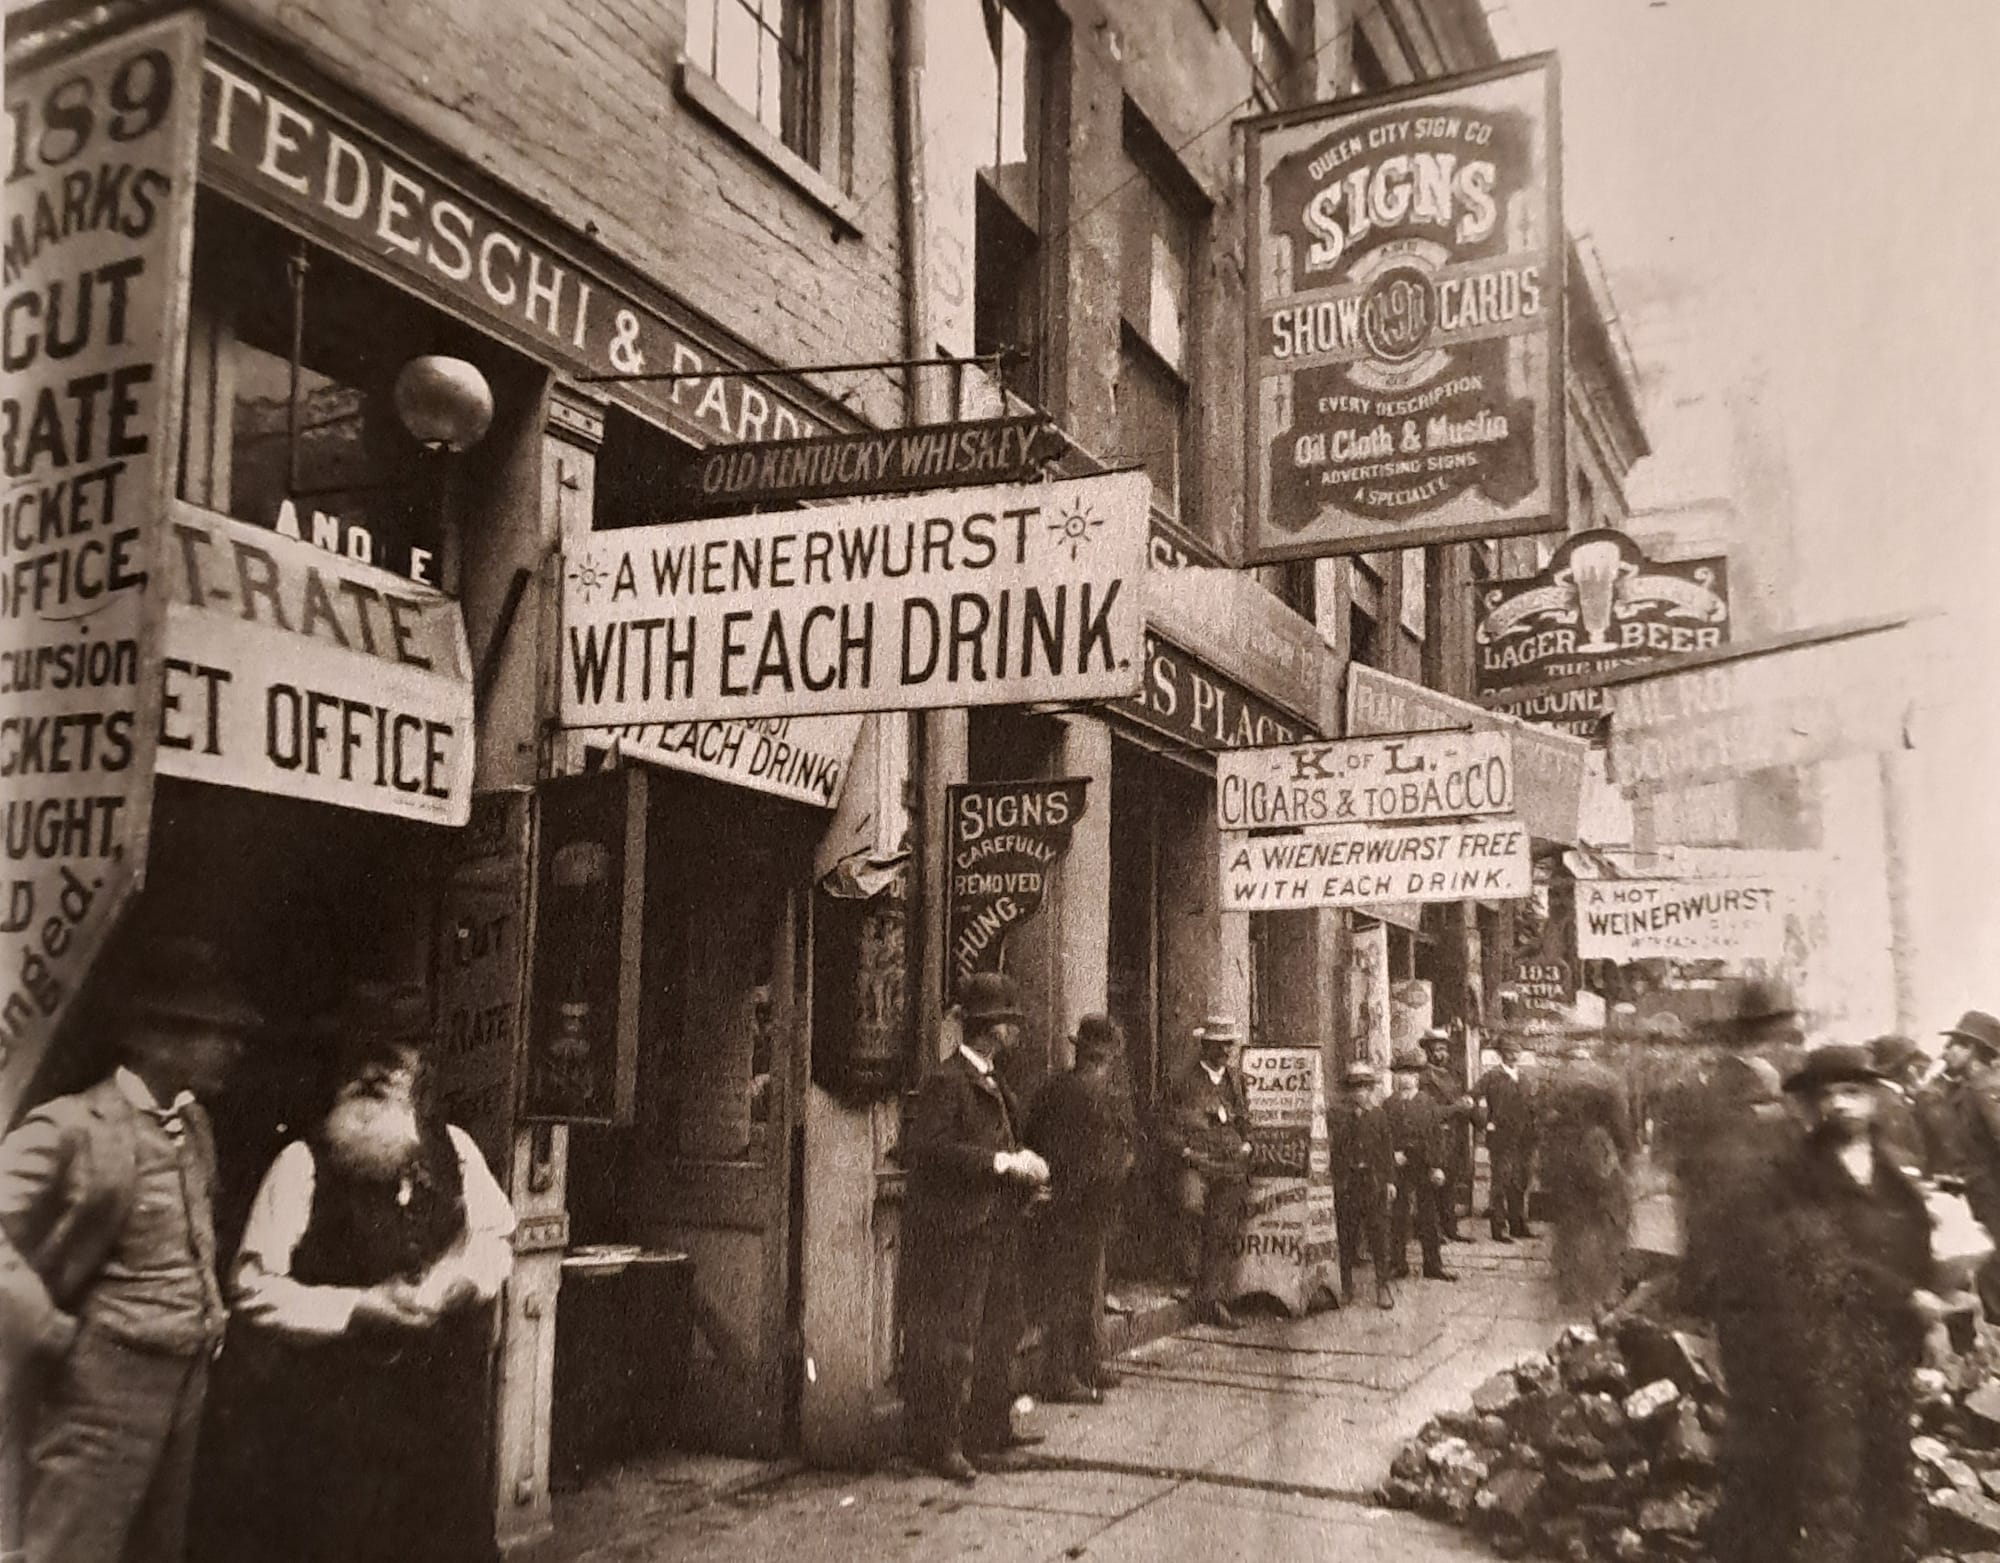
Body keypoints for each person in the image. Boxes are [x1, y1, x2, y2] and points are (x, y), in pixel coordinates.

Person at [221, 981, 515, 1563]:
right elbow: (252, 1287)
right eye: (364, 1055)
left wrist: (465, 1283)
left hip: (438, 1431)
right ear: (341, 1064)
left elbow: (496, 1237)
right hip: (335, 1433)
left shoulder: (454, 1151)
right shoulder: (301, 1163)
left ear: (421, 1066)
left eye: (396, 1054)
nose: (378, 1071)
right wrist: (355, 1308)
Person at [0, 938, 256, 1563]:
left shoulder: (196, 1125)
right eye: (213, 1033)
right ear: (155, 1041)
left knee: (157, 1548)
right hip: (101, 1385)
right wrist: (47, 1329)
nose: (233, 1048)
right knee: (72, 1547)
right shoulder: (74, 1127)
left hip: (185, 1379)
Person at [1708, 1044, 1939, 1563]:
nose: (1840, 1105)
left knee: (1891, 1473)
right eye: (1828, 1095)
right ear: (1812, 1106)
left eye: (1852, 1092)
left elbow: (1915, 1245)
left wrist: (1924, 1311)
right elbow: (1820, 1256)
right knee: (1832, 1481)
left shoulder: (1892, 1171)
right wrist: (1908, 1296)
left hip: (1889, 1350)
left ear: (1874, 1099)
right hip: (1823, 1349)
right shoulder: (1790, 1175)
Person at [902, 973, 1049, 1483]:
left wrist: (1026, 1174)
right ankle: (941, 1443)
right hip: (958, 1231)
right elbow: (929, 1152)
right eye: (1011, 1023)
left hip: (997, 1228)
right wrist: (1002, 1164)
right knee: (953, 1339)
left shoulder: (991, 1079)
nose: (1017, 1032)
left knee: (1001, 1329)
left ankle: (989, 1429)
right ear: (990, 1028)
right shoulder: (947, 1082)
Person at [1024, 1014, 1136, 1405]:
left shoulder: (1054, 1088)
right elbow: (1110, 1156)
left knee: (1083, 1289)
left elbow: (1033, 1136)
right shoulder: (1099, 1095)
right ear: (1106, 1057)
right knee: (1073, 1291)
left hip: (1062, 1201)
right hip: (1083, 1205)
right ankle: (1062, 1375)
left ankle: (1086, 1364)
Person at [1164, 1015, 1255, 1330]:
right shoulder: (1183, 1081)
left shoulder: (1236, 1080)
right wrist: (1183, 1150)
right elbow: (1166, 1124)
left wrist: (1247, 1143)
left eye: (1229, 1044)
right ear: (1205, 1046)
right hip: (1196, 1162)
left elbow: (1245, 1118)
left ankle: (1212, 1298)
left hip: (1229, 1165)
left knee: (1221, 1228)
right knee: (1191, 1209)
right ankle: (1189, 1281)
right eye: (1219, 1045)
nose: (1226, 1051)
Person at [1915, 1009, 2000, 1318]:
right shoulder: (1968, 1088)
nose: (1946, 1052)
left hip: (1991, 1195)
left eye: (1955, 1045)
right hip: (1979, 1193)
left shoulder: (1985, 1089)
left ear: (1974, 1050)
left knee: (1994, 1273)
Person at [1538, 1043, 1635, 1309]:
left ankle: (1568, 1287)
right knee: (1608, 1223)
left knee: (1568, 1226)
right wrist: (1626, 1160)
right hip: (1596, 1159)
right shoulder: (1608, 1082)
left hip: (1563, 1164)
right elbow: (1620, 1128)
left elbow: (1542, 1125)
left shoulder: (1554, 1083)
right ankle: (1604, 1291)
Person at [1326, 1062, 1396, 1309]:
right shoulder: (1339, 1118)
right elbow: (1332, 1150)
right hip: (1348, 1184)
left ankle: (1383, 1286)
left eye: (1364, 1088)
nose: (1359, 1093)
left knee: (1379, 1236)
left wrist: (1389, 1181)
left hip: (1373, 1183)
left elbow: (1387, 1152)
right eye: (1354, 1088)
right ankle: (1346, 1287)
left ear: (1371, 1090)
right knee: (1346, 1236)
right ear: (1348, 1091)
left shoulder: (1379, 1116)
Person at [1383, 1049, 1456, 1283]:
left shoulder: (1427, 1103)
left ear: (1417, 1078)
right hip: (1399, 1167)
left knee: (1428, 1216)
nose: (1405, 1078)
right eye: (1401, 1073)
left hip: (1423, 1165)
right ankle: (1398, 1263)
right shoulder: (1389, 1104)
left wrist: (1437, 1166)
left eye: (1410, 1074)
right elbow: (1384, 1137)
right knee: (1398, 1216)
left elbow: (1436, 1136)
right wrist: (1391, 1155)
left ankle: (1433, 1265)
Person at [1476, 1039, 1537, 1242]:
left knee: (1519, 1181)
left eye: (1517, 1051)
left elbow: (1532, 1106)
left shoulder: (1525, 1078)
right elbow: (1472, 1099)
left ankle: (1518, 1224)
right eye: (1509, 1051)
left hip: (1523, 1139)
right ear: (1501, 1054)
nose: (1514, 1055)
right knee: (1500, 1183)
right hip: (1501, 1138)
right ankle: (1499, 1228)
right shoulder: (1492, 1077)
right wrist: (1486, 1122)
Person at [1419, 1029, 1475, 1242]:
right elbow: (1430, 1112)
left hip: (1453, 1138)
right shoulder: (1424, 1078)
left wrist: (1467, 1105)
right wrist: (1457, 1107)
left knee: (1449, 1185)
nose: (1441, 1054)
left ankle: (1450, 1228)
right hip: (1436, 1137)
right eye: (1436, 1050)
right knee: (1434, 1185)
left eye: (1444, 1049)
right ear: (1427, 1051)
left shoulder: (1451, 1076)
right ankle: (1435, 1232)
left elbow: (1458, 1101)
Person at [1866, 1032, 1930, 1176]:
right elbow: (1899, 1156)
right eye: (1913, 1064)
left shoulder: (1881, 1096)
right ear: (1906, 1068)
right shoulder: (1892, 1105)